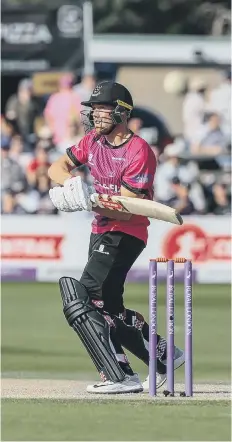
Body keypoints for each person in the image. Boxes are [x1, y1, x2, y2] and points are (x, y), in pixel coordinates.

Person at [48, 81, 184, 394]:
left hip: (126, 232)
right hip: (101, 230)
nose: (96, 115)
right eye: (93, 109)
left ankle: (119, 374)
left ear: (121, 112)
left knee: (84, 299)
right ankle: (163, 355)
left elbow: (126, 208)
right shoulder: (93, 140)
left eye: (103, 109)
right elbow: (58, 167)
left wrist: (89, 198)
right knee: (109, 307)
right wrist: (72, 184)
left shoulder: (139, 151)